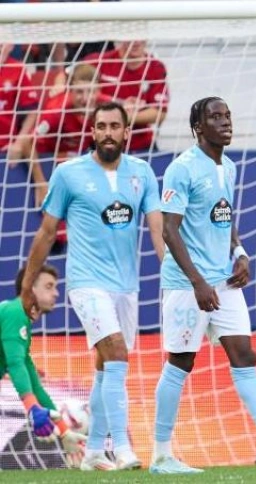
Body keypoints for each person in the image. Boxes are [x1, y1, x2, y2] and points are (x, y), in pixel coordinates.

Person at [150, 97, 256, 474]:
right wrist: (197, 281)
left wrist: (240, 252)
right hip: (186, 284)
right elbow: (169, 229)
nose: (225, 122)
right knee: (180, 362)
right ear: (198, 126)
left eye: (227, 115)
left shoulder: (227, 166)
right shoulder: (182, 168)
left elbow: (224, 215)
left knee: (244, 356)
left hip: (224, 280)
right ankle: (161, 454)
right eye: (215, 117)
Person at [20, 101, 164, 471]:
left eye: (115, 126)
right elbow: (47, 231)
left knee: (106, 367)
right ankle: (124, 449)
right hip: (86, 282)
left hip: (127, 286)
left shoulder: (143, 173)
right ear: (93, 132)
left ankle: (95, 450)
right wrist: (27, 285)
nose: (107, 133)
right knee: (117, 353)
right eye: (101, 126)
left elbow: (157, 228)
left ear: (126, 132)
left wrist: (174, 273)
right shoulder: (69, 174)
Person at [1, 266, 87, 468]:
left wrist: (64, 431)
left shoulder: (16, 318)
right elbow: (15, 364)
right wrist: (32, 409)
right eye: (49, 286)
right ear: (30, 289)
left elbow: (35, 385)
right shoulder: (15, 312)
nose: (56, 293)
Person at [11, 63, 107, 208]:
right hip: (45, 158)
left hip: (77, 158)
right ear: (70, 91)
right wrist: (41, 184)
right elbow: (26, 141)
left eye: (91, 91)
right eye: (79, 92)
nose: (86, 99)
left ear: (98, 90)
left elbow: (128, 107)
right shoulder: (57, 113)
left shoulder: (103, 104)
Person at [84, 40, 169, 153]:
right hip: (102, 145)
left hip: (141, 147)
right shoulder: (96, 61)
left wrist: (120, 116)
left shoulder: (155, 67)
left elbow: (159, 113)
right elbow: (75, 94)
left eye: (140, 36)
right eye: (130, 37)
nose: (136, 42)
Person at [0, 42, 40, 159]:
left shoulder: (17, 68)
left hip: (5, 147)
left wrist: (18, 143)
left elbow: (33, 111)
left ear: (11, 46)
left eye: (2, 43)